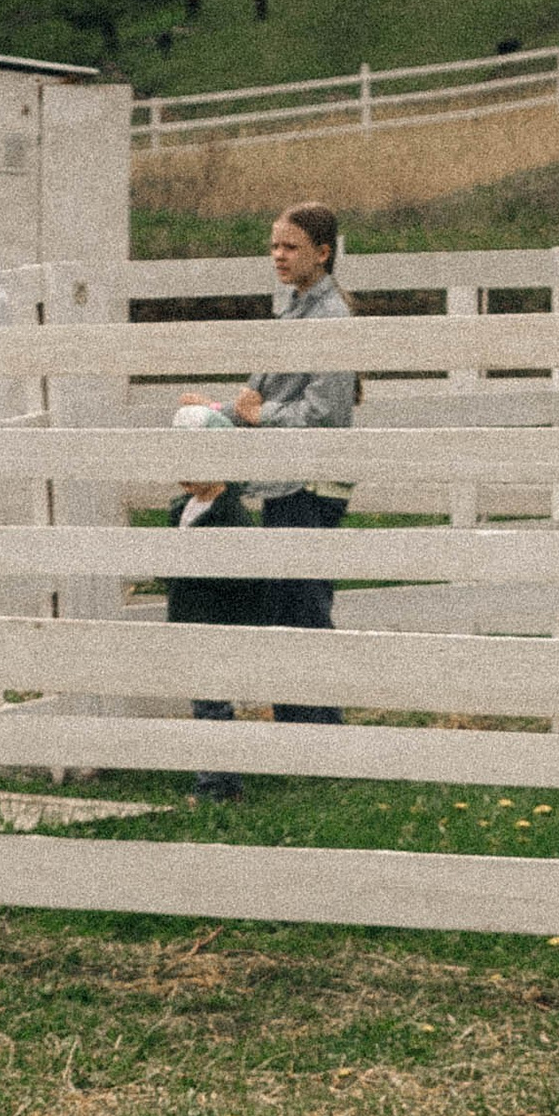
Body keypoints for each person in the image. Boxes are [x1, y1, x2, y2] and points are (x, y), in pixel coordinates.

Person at [229, 202, 353, 725]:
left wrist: (263, 413)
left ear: (322, 254)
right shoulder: (294, 309)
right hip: (285, 478)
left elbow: (326, 410)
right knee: (284, 604)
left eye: (291, 246)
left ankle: (318, 731)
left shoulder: (331, 318)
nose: (278, 255)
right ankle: (300, 729)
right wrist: (224, 410)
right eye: (275, 245)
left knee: (302, 605)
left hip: (312, 479)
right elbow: (264, 392)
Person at [163, 441, 265, 806]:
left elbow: (243, 577)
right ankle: (220, 779)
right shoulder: (184, 508)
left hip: (214, 618)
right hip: (187, 615)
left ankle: (216, 785)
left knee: (212, 704)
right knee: (203, 701)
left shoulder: (230, 514)